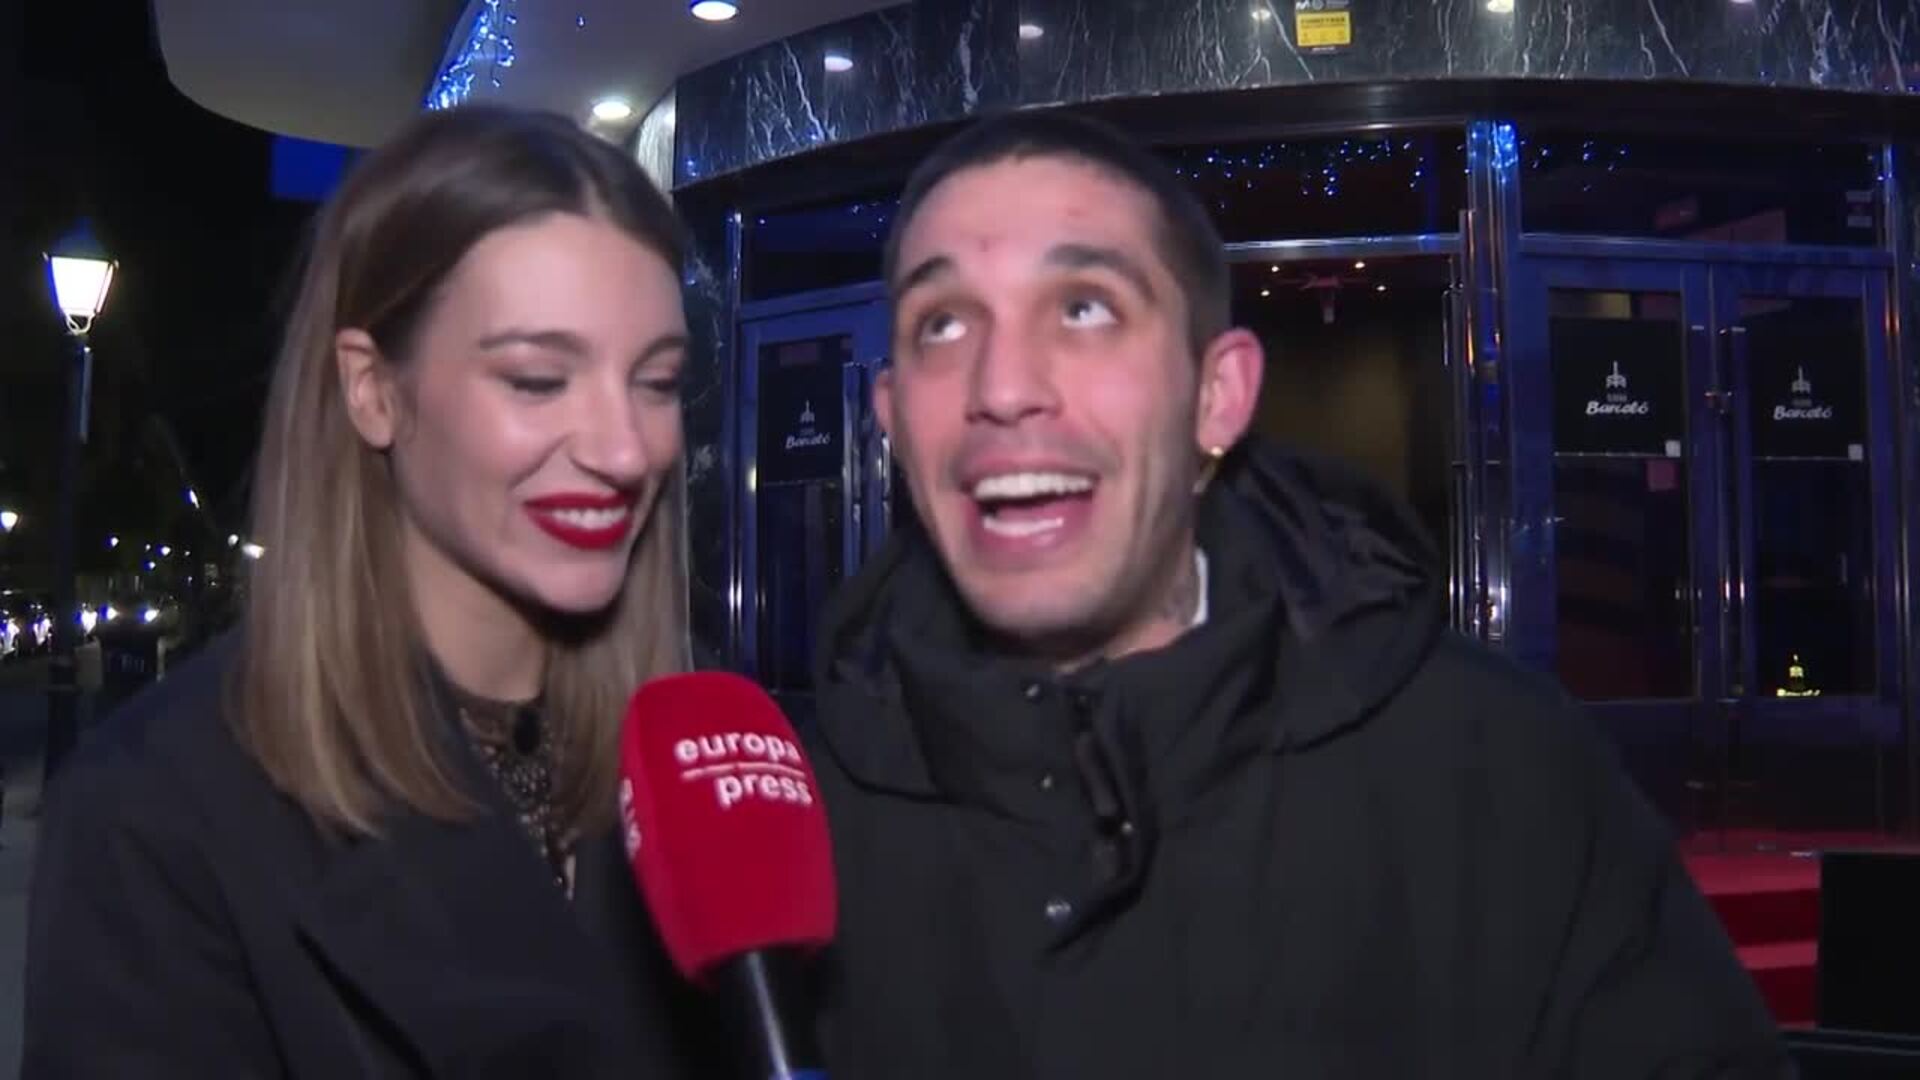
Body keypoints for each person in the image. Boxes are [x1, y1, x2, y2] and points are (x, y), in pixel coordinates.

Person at [806, 110, 1791, 1078]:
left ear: (1217, 395)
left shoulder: (1501, 769)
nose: (1002, 385)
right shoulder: (791, 825)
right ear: (892, 415)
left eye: (1084, 309)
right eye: (942, 323)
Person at [23, 105, 720, 1077]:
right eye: (537, 379)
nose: (624, 449)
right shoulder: (158, 814)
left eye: (657, 382)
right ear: (373, 389)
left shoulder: (714, 764)